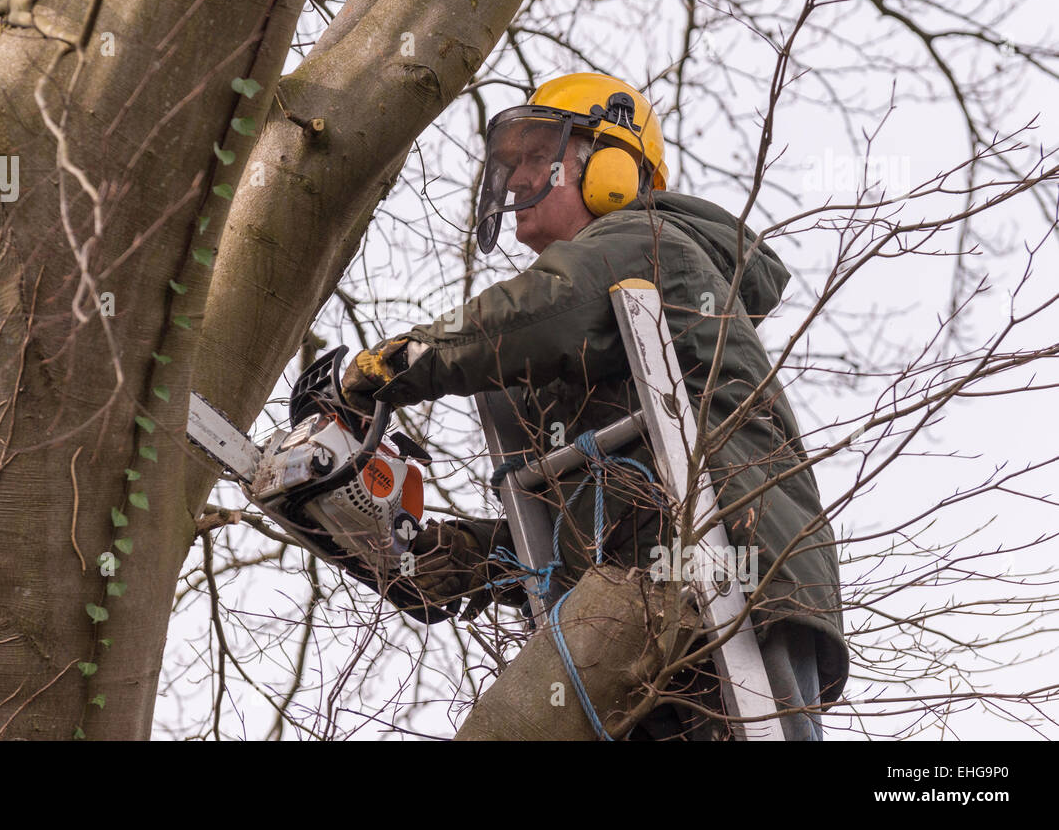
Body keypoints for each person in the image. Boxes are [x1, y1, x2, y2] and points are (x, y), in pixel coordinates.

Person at [341, 72, 847, 740]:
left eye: (535, 156)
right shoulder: (565, 362)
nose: (517, 179)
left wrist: (402, 362)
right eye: (510, 163)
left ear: (611, 165)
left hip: (734, 571)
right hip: (638, 591)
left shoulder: (648, 242)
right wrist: (434, 553)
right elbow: (568, 540)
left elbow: (540, 312)